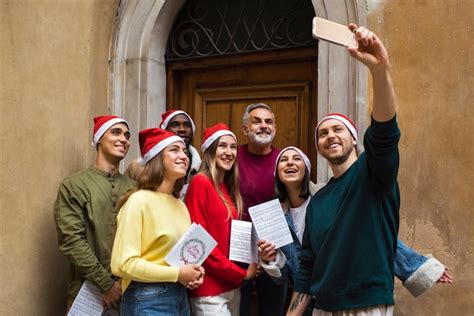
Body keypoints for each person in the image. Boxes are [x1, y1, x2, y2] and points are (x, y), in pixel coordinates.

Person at [286, 23, 413, 315]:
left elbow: (384, 132)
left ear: (354, 139)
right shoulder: (317, 202)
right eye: (323, 133)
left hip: (365, 305)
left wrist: (380, 71)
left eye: (338, 130)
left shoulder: (373, 172)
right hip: (323, 307)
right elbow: (308, 263)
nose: (330, 135)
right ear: (317, 146)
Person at [257, 147, 453, 315]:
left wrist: (418, 266)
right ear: (277, 172)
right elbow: (285, 275)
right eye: (283, 160)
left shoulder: (328, 200)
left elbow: (374, 239)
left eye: (296, 158)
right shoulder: (274, 216)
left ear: (306, 168)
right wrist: (271, 260)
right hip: (305, 300)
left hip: (343, 295)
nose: (290, 163)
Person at [111, 127, 205, 315]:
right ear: (157, 159)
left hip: (179, 296)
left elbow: (177, 259)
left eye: (185, 152)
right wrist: (178, 274)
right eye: (174, 150)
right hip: (146, 298)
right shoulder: (138, 201)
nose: (184, 156)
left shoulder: (180, 205)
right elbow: (122, 263)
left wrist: (192, 273)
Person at [53, 115, 134, 310]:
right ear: (99, 139)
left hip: (126, 294)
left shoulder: (134, 188)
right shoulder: (74, 185)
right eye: (116, 132)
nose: (124, 139)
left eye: (127, 135)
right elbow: (71, 240)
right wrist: (105, 284)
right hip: (84, 293)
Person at [185, 123, 257, 315]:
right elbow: (200, 245)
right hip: (209, 290)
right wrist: (241, 274)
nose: (229, 152)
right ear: (210, 151)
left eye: (233, 147)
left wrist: (254, 256)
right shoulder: (200, 183)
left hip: (231, 286)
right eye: (222, 146)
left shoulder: (226, 188)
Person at [237, 102, 286, 316]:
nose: (263, 126)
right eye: (256, 121)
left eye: (269, 122)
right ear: (245, 129)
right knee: (238, 309)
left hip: (275, 247)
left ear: (275, 128)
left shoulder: (284, 160)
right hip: (236, 248)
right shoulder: (231, 157)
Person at [125, 109, 201, 185]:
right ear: (164, 130)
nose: (182, 129)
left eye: (187, 125)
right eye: (175, 125)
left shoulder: (202, 169)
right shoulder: (138, 167)